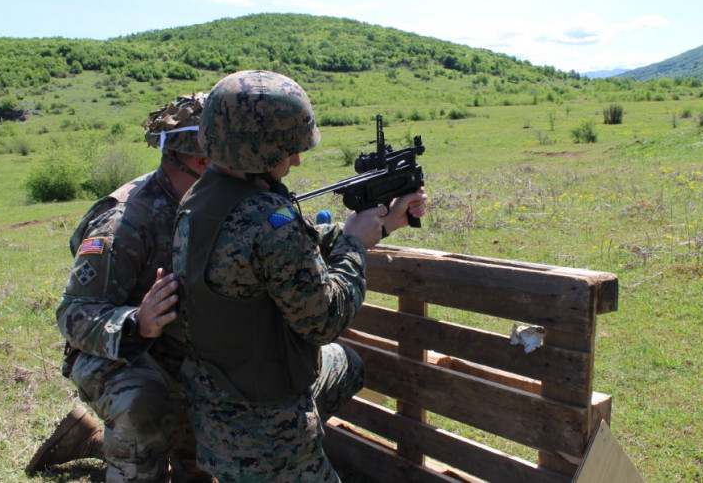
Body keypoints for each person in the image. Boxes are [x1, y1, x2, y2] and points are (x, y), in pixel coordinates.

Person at [172, 70, 428, 482]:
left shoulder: (200, 199)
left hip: (214, 397)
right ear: (258, 150)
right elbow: (325, 319)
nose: (295, 160)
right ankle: (290, 458)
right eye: (286, 150)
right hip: (262, 428)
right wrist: (355, 246)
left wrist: (372, 226)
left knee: (347, 365)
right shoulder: (268, 222)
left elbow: (274, 252)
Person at [27, 93, 214, 483]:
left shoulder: (210, 201)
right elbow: (74, 314)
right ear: (200, 160)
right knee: (142, 402)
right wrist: (137, 323)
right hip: (115, 353)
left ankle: (92, 441)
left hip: (180, 348)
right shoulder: (126, 222)